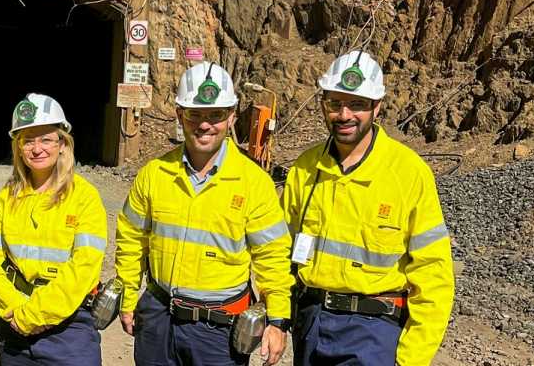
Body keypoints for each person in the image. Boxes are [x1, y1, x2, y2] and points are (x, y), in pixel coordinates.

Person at [283, 51, 455, 366]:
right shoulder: (305, 168)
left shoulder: (408, 173)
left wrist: (411, 359)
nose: (344, 114)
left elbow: (434, 276)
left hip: (373, 332)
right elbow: (280, 254)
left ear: (377, 106)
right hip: (310, 324)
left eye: (357, 104)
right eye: (335, 103)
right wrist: (278, 319)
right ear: (324, 104)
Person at [115, 62, 292, 366]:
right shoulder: (155, 175)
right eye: (195, 114)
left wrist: (277, 320)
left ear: (231, 116)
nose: (205, 124)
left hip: (218, 331)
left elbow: (272, 257)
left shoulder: (254, 183)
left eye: (215, 115)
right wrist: (127, 297)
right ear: (180, 115)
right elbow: (131, 241)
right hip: (159, 320)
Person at [0, 93, 107, 365]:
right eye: (28, 140)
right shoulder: (6, 198)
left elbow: (84, 268)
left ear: (62, 144)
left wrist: (34, 315)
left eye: (46, 139)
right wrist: (17, 310)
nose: (37, 149)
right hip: (13, 323)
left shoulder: (84, 197)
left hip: (68, 328)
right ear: (18, 148)